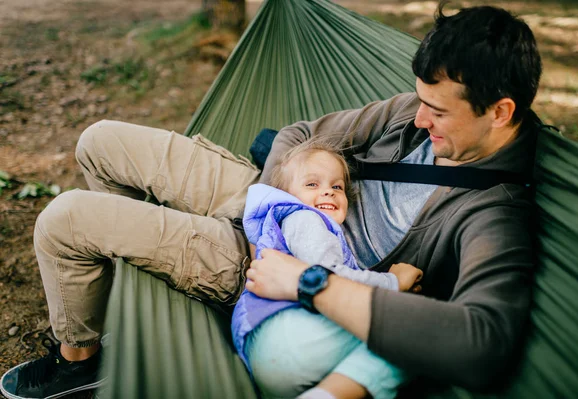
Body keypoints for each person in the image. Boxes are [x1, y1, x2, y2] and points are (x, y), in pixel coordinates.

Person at [0, 3, 541, 399]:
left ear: (499, 111)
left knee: (64, 220)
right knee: (99, 142)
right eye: (420, 102)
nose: (420, 120)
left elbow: (482, 344)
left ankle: (80, 359)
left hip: (278, 267)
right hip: (274, 198)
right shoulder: (411, 112)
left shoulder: (495, 212)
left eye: (438, 113)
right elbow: (298, 133)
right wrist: (280, 200)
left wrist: (307, 275)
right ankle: (114, 295)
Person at [232, 139, 423, 399]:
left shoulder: (299, 226)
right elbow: (330, 278)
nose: (328, 191)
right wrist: (393, 282)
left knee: (392, 341)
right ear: (288, 195)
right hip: (292, 335)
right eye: (312, 184)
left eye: (337, 186)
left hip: (269, 354)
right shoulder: (305, 219)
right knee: (413, 327)